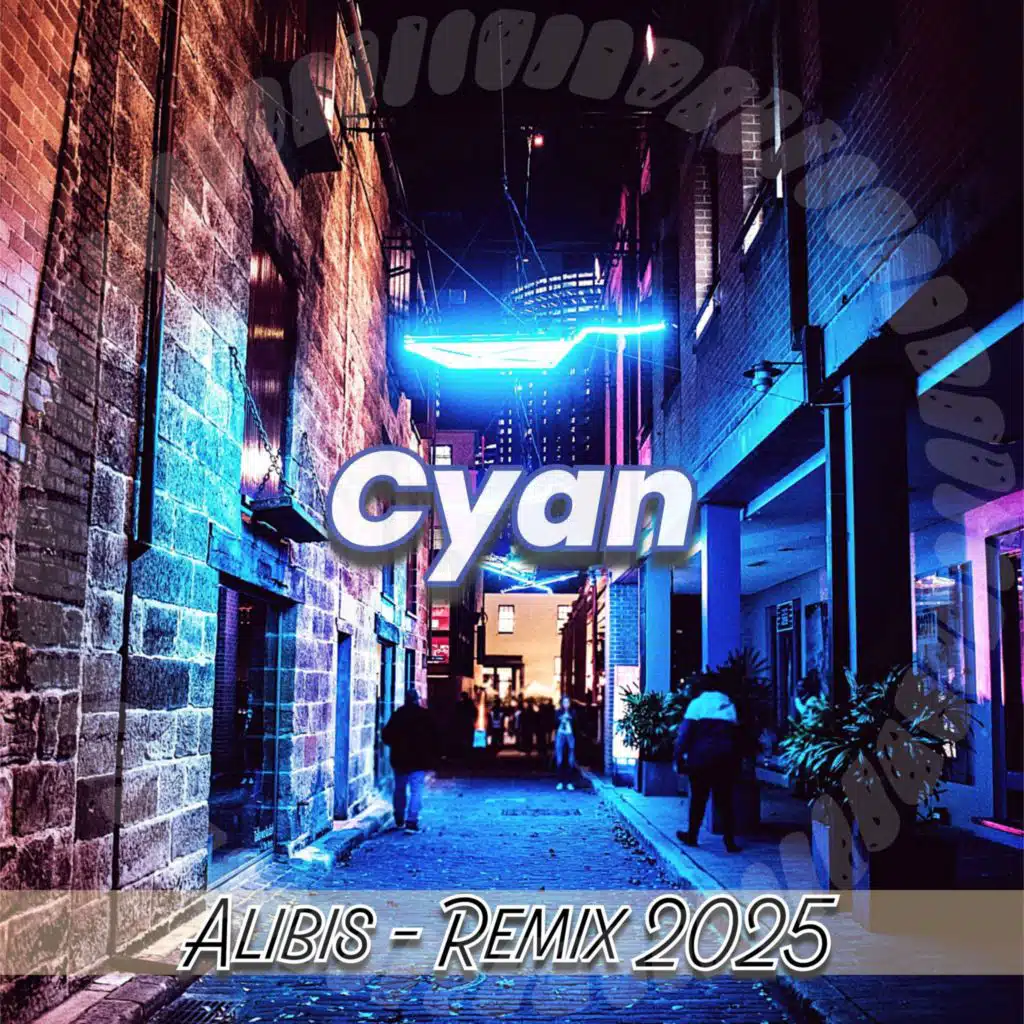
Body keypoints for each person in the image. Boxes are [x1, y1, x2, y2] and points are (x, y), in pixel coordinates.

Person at [673, 680, 741, 853]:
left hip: (700, 759)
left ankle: (692, 835)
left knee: (698, 799)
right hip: (725, 759)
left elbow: (684, 735)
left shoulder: (697, 704)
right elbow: (737, 735)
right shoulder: (728, 705)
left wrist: (678, 758)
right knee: (724, 800)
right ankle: (729, 841)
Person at [381, 687, 434, 832]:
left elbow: (386, 735)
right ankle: (412, 820)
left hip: (400, 758)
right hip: (419, 759)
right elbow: (433, 737)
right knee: (416, 789)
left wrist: (397, 744)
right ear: (417, 699)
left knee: (400, 788)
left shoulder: (398, 714)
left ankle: (399, 818)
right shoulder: (425, 715)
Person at [554, 695, 576, 791]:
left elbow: (577, 724)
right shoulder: (558, 712)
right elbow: (553, 723)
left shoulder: (573, 712)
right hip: (560, 735)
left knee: (570, 759)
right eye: (564, 702)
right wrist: (561, 719)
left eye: (567, 702)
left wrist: (570, 718)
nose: (566, 704)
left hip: (570, 735)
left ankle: (569, 782)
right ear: (561, 703)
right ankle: (560, 782)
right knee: (560, 759)